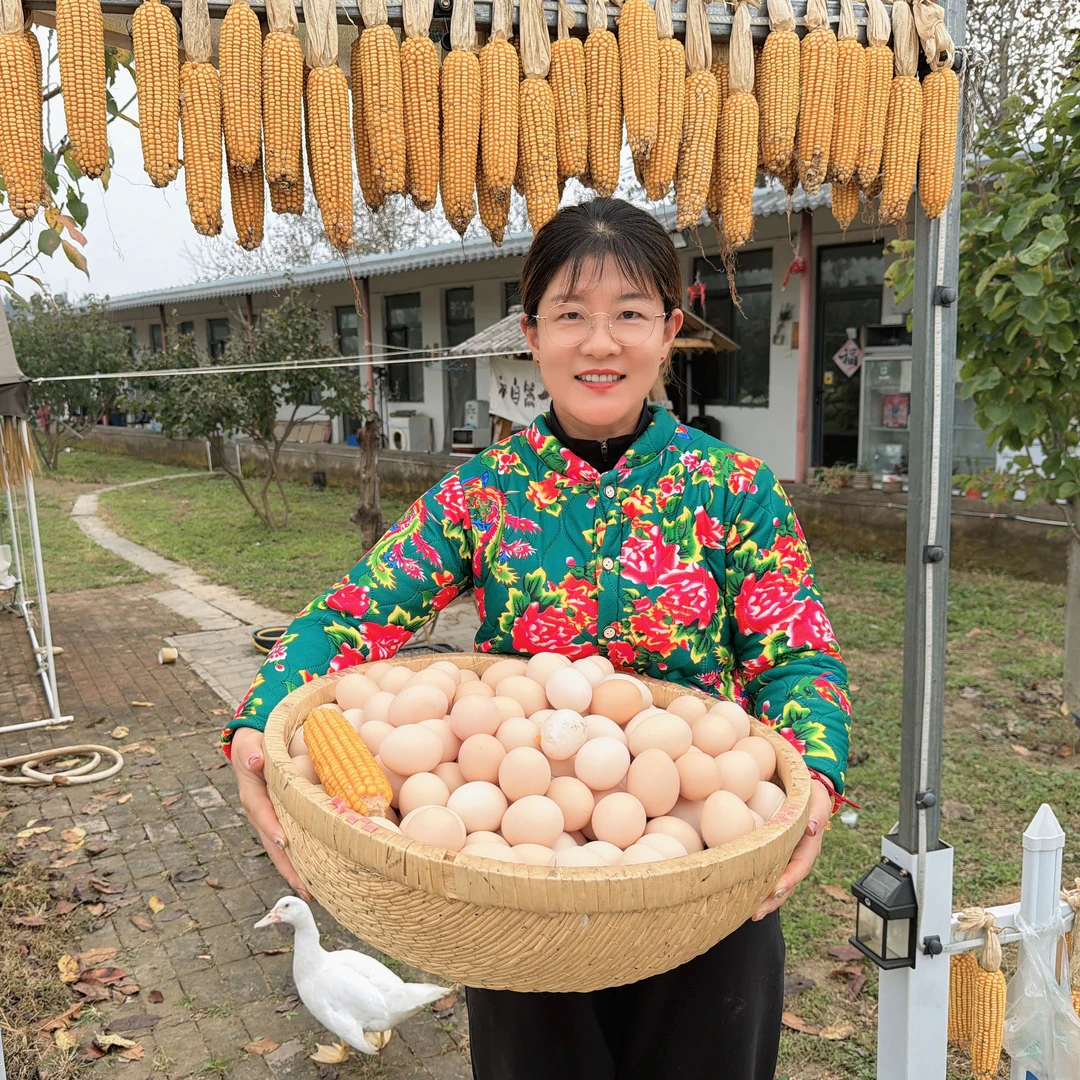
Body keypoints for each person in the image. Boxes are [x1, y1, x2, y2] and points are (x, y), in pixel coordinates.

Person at [223, 198, 852, 1080]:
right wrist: (258, 723)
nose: (601, 345)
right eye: (570, 315)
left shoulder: (732, 487)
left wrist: (813, 772)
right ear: (532, 332)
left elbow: (798, 656)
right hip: (519, 891)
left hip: (704, 875)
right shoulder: (486, 492)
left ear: (669, 330)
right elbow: (350, 618)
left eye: (630, 314)